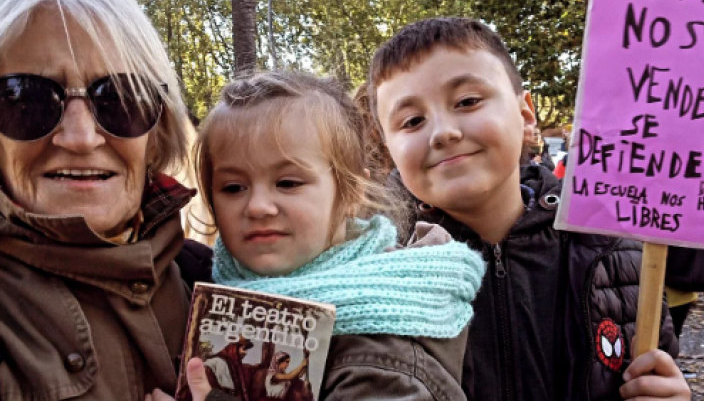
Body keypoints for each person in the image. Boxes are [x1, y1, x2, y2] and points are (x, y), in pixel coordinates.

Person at [367, 17, 688, 401]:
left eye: (467, 101)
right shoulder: (374, 276)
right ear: (389, 147)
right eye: (412, 121)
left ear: (525, 113)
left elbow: (656, 371)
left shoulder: (617, 256)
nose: (443, 132)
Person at [148, 71, 485, 401]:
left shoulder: (385, 343)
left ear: (351, 192)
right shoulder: (208, 290)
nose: (258, 207)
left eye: (288, 183)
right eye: (233, 187)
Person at [0, 0, 212, 401]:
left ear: (156, 135)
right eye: (26, 99)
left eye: (119, 99)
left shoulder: (218, 282)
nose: (81, 137)